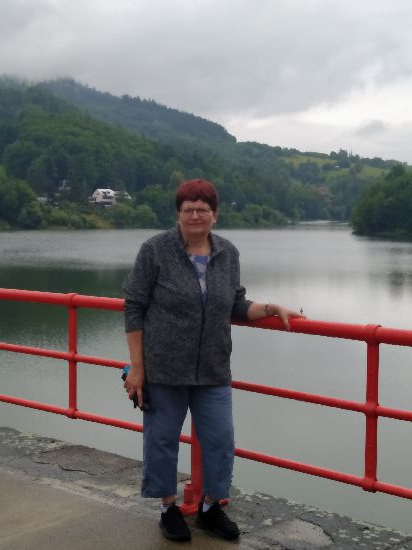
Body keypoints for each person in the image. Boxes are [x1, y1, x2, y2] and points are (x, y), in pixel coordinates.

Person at [123, 179, 303, 542]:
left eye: (202, 209)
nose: (195, 215)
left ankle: (209, 508)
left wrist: (271, 307)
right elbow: (134, 307)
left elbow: (236, 303)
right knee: (162, 442)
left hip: (213, 369)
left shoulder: (228, 253)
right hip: (164, 369)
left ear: (214, 215)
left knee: (220, 441)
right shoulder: (155, 250)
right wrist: (137, 368)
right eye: (188, 209)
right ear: (178, 214)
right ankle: (168, 509)